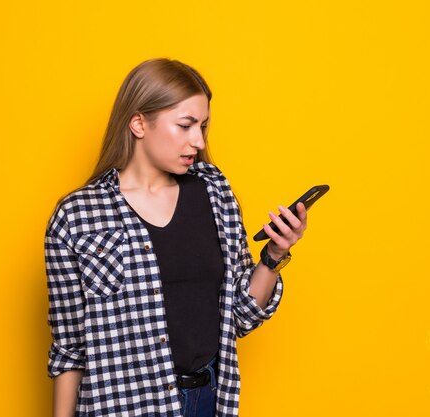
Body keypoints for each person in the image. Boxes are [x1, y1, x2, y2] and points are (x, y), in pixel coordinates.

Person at [44, 58, 308, 417]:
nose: (198, 141)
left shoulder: (214, 193)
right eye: (185, 125)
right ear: (138, 123)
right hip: (122, 408)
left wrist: (275, 254)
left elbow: (241, 316)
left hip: (207, 400)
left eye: (202, 126)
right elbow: (70, 349)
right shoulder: (77, 216)